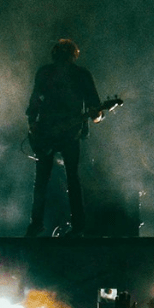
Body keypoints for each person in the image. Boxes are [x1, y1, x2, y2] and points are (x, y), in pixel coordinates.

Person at [26, 38, 103, 237]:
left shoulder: (45, 72)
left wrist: (33, 123)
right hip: (66, 132)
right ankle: (77, 226)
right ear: (74, 54)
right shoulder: (81, 75)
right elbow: (96, 110)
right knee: (72, 179)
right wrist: (97, 114)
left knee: (43, 180)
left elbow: (34, 101)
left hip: (54, 131)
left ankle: (37, 224)